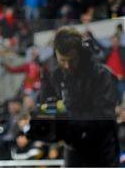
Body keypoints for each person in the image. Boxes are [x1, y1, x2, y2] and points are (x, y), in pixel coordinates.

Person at [39, 26, 120, 166]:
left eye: (72, 60)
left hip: (102, 148)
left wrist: (68, 119)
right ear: (55, 54)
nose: (67, 65)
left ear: (80, 53)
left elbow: (104, 117)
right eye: (62, 60)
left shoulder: (100, 75)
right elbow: (45, 105)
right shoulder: (54, 73)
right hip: (73, 148)